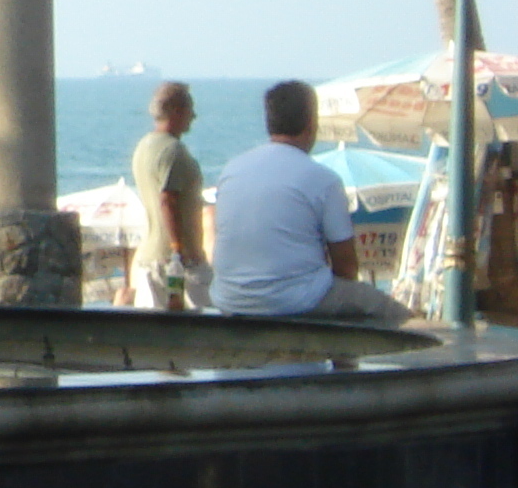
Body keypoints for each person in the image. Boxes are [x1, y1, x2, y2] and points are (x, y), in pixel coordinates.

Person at [210, 80, 411, 325]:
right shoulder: (323, 180)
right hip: (295, 300)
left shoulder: (231, 171)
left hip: (230, 298)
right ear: (311, 124)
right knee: (399, 318)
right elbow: (346, 266)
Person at [129, 81, 211, 311]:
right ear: (176, 110)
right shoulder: (172, 150)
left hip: (149, 257)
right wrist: (179, 249)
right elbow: (168, 200)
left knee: (153, 333)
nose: (193, 116)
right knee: (203, 326)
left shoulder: (144, 146)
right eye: (189, 109)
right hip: (177, 260)